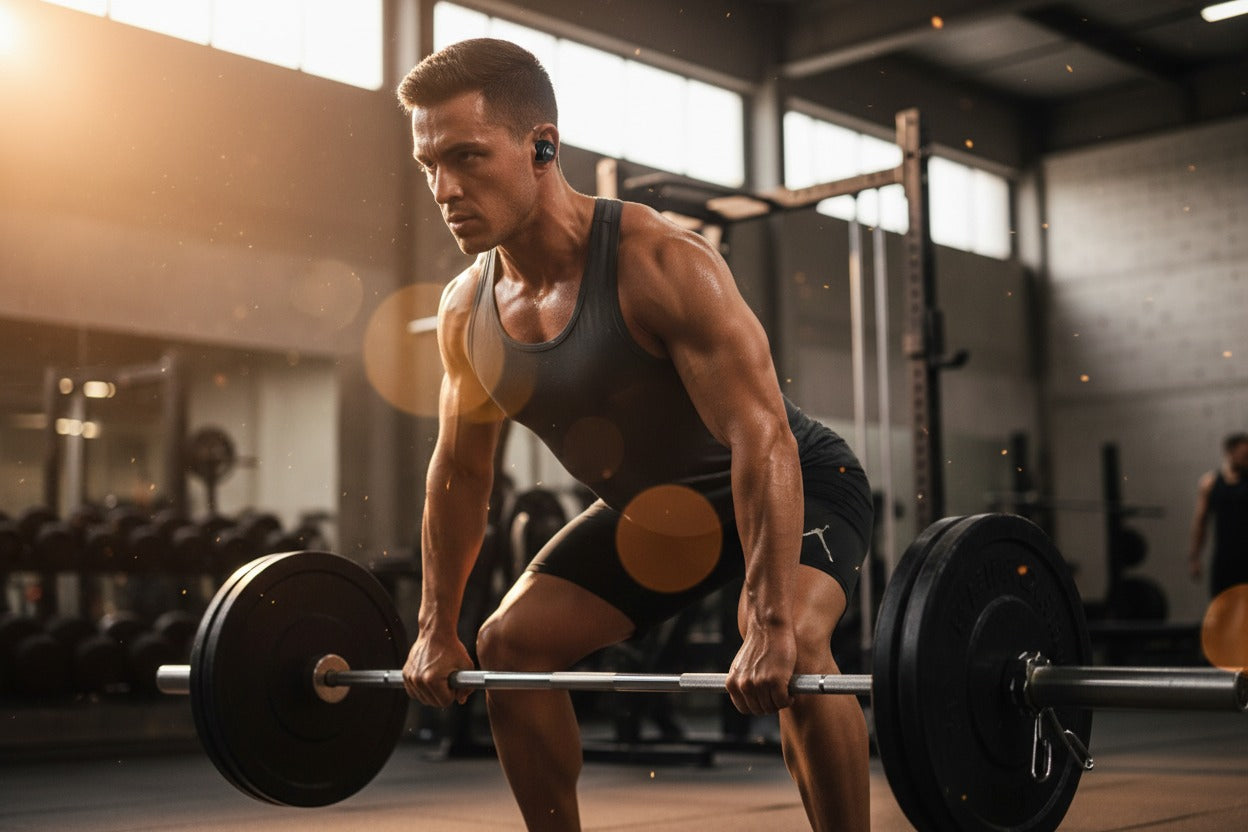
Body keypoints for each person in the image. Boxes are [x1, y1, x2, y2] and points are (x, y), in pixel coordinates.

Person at [397, 38, 874, 832]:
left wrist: (773, 624)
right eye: (428, 166)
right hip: (659, 516)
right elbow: (459, 477)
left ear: (542, 145)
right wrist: (434, 628)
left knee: (797, 656)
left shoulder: (661, 263)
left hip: (800, 478)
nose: (444, 189)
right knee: (508, 649)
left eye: (467, 156)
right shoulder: (465, 311)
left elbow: (760, 436)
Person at [1188, 432, 1248, 597]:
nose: (1246, 459)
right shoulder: (1210, 483)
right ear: (1229, 453)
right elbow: (1200, 522)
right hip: (1224, 558)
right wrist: (1194, 557)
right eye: (1243, 455)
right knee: (1222, 607)